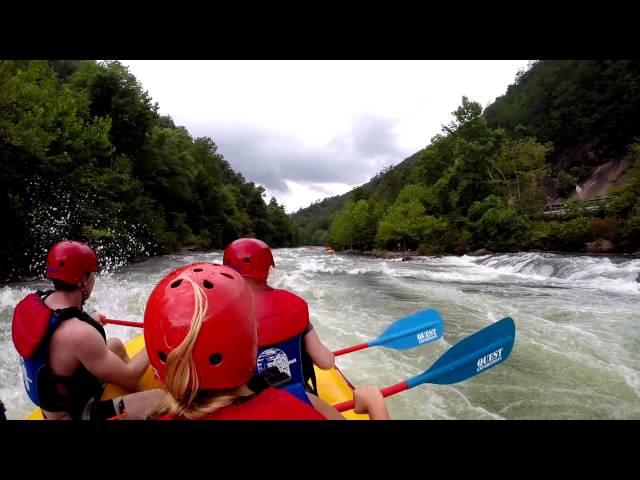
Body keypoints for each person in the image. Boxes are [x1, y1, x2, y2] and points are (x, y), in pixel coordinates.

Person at [144, 262, 389, 420]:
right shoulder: (295, 408)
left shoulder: (153, 412)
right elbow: (326, 362)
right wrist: (376, 406)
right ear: (252, 343)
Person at [12, 240, 162, 419]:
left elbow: (58, 337)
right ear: (83, 280)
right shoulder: (79, 333)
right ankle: (143, 404)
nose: (94, 280)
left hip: (59, 398)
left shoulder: (39, 302)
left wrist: (90, 320)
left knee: (115, 345)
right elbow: (129, 376)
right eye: (92, 275)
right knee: (160, 399)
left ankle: (137, 398)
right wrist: (154, 336)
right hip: (75, 414)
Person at [223, 238, 333, 398]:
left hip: (249, 407)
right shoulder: (294, 305)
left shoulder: (219, 316)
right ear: (267, 270)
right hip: (296, 400)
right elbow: (326, 362)